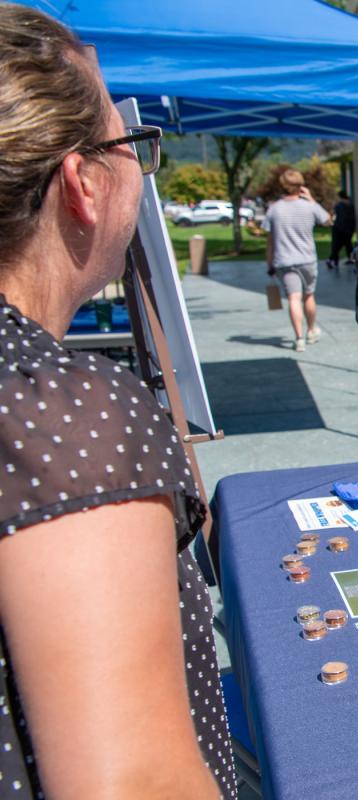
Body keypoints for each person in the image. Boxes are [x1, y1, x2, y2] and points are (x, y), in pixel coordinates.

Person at [0, 5, 234, 797]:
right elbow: (134, 783)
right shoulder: (63, 408)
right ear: (81, 183)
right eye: (130, 144)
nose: (143, 167)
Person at [264, 169, 330, 352]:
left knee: (294, 298)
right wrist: (312, 200)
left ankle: (299, 338)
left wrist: (269, 263)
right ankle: (311, 330)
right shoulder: (308, 207)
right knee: (309, 295)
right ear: (300, 186)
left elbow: (270, 241)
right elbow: (327, 220)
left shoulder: (274, 209)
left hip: (284, 260)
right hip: (307, 259)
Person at [326, 189, 357, 268]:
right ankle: (351, 258)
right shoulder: (351, 204)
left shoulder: (339, 205)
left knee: (336, 245)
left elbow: (338, 217)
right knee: (347, 244)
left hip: (339, 228)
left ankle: (332, 259)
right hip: (349, 228)